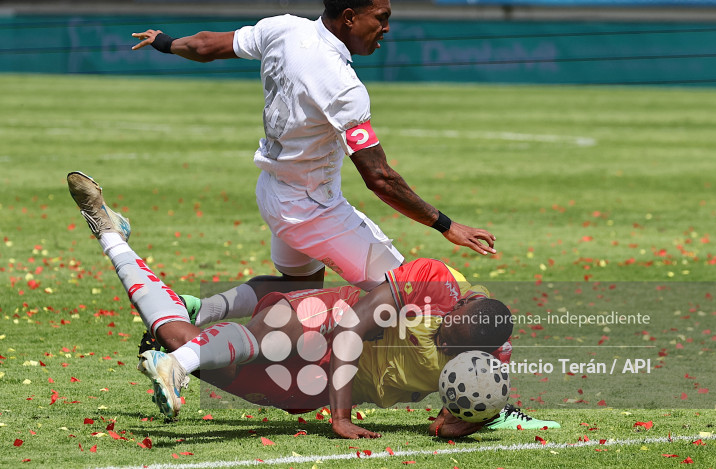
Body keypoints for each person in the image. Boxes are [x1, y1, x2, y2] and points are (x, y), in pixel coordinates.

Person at [67, 171, 559, 439]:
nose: (444, 339)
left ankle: (121, 244)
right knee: (273, 328)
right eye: (448, 330)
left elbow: (451, 422)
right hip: (331, 321)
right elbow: (349, 331)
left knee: (175, 338)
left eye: (453, 345)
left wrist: (467, 419)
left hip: (319, 385)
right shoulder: (435, 282)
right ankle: (118, 250)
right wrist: (341, 419)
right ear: (459, 308)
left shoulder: (487, 364)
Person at [130, 0, 496, 306]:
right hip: (311, 210)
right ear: (350, 17)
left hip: (273, 192)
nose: (386, 28)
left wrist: (165, 41)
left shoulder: (284, 28)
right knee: (411, 293)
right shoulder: (342, 85)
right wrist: (447, 225)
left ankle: (197, 310)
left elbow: (206, 45)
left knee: (294, 291)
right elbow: (380, 178)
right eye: (381, 19)